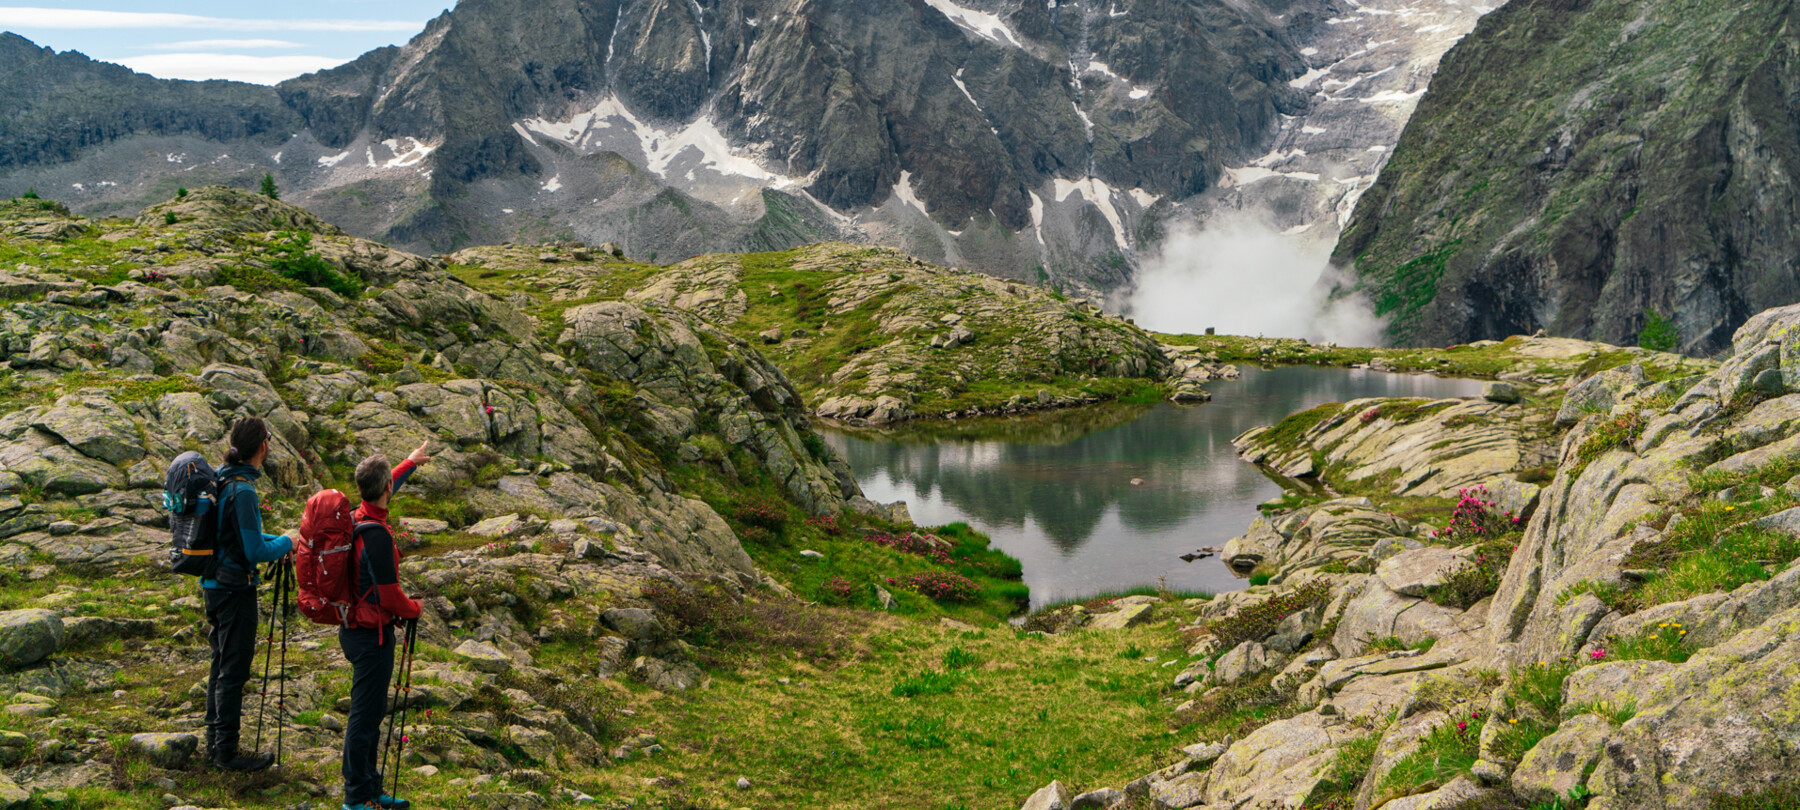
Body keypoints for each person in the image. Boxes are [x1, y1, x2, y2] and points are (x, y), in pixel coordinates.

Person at [340, 442, 430, 810]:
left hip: (355, 630)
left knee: (372, 712)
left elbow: (383, 483)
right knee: (365, 716)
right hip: (371, 637)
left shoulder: (356, 516)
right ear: (386, 490)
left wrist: (409, 462)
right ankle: (356, 797)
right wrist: (414, 609)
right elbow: (390, 596)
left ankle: (370, 788)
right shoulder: (376, 536)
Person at [204, 417, 295, 772]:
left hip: (215, 585)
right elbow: (254, 550)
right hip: (234, 590)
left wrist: (282, 541)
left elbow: (241, 540)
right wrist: (287, 542)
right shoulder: (243, 490)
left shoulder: (223, 477)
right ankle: (227, 753)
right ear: (263, 446)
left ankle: (215, 744)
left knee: (220, 665)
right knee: (233, 670)